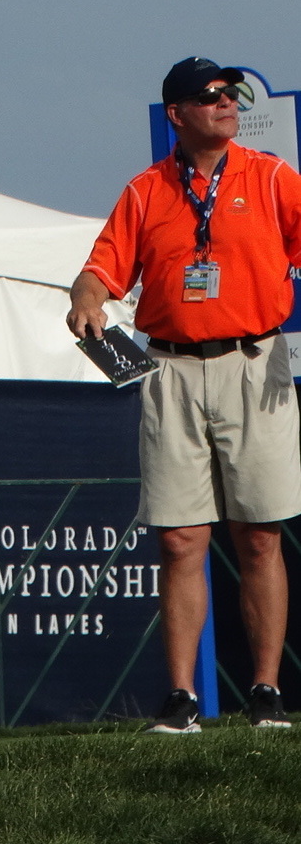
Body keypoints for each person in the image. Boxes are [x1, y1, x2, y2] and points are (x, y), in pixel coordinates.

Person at [67, 56, 301, 734]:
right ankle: (179, 700)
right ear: (177, 114)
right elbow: (97, 271)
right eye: (209, 96)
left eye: (230, 93)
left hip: (253, 359)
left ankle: (264, 691)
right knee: (177, 539)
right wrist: (85, 304)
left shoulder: (269, 176)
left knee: (258, 536)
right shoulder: (144, 191)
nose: (226, 102)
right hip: (168, 368)